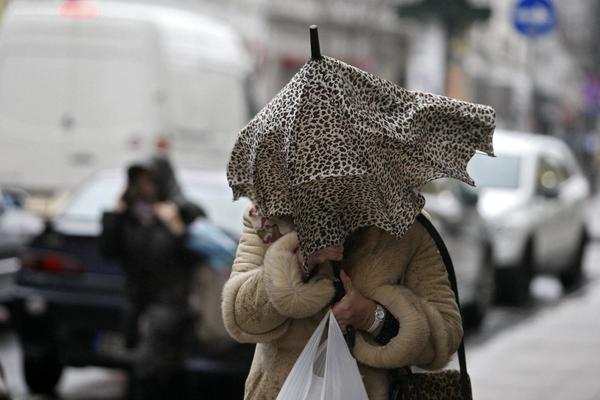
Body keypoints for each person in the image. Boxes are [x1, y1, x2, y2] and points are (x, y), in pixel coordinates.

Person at [222, 205, 463, 400]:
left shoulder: (408, 224)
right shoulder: (269, 216)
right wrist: (300, 260)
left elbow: (446, 334)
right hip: (279, 390)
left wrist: (372, 318)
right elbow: (243, 318)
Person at [100, 156, 204, 400]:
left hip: (172, 302)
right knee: (142, 365)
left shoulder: (186, 211)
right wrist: (114, 217)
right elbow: (108, 251)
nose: (145, 188)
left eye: (150, 181)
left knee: (149, 364)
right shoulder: (129, 216)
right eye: (140, 182)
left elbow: (197, 259)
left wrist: (176, 226)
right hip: (135, 301)